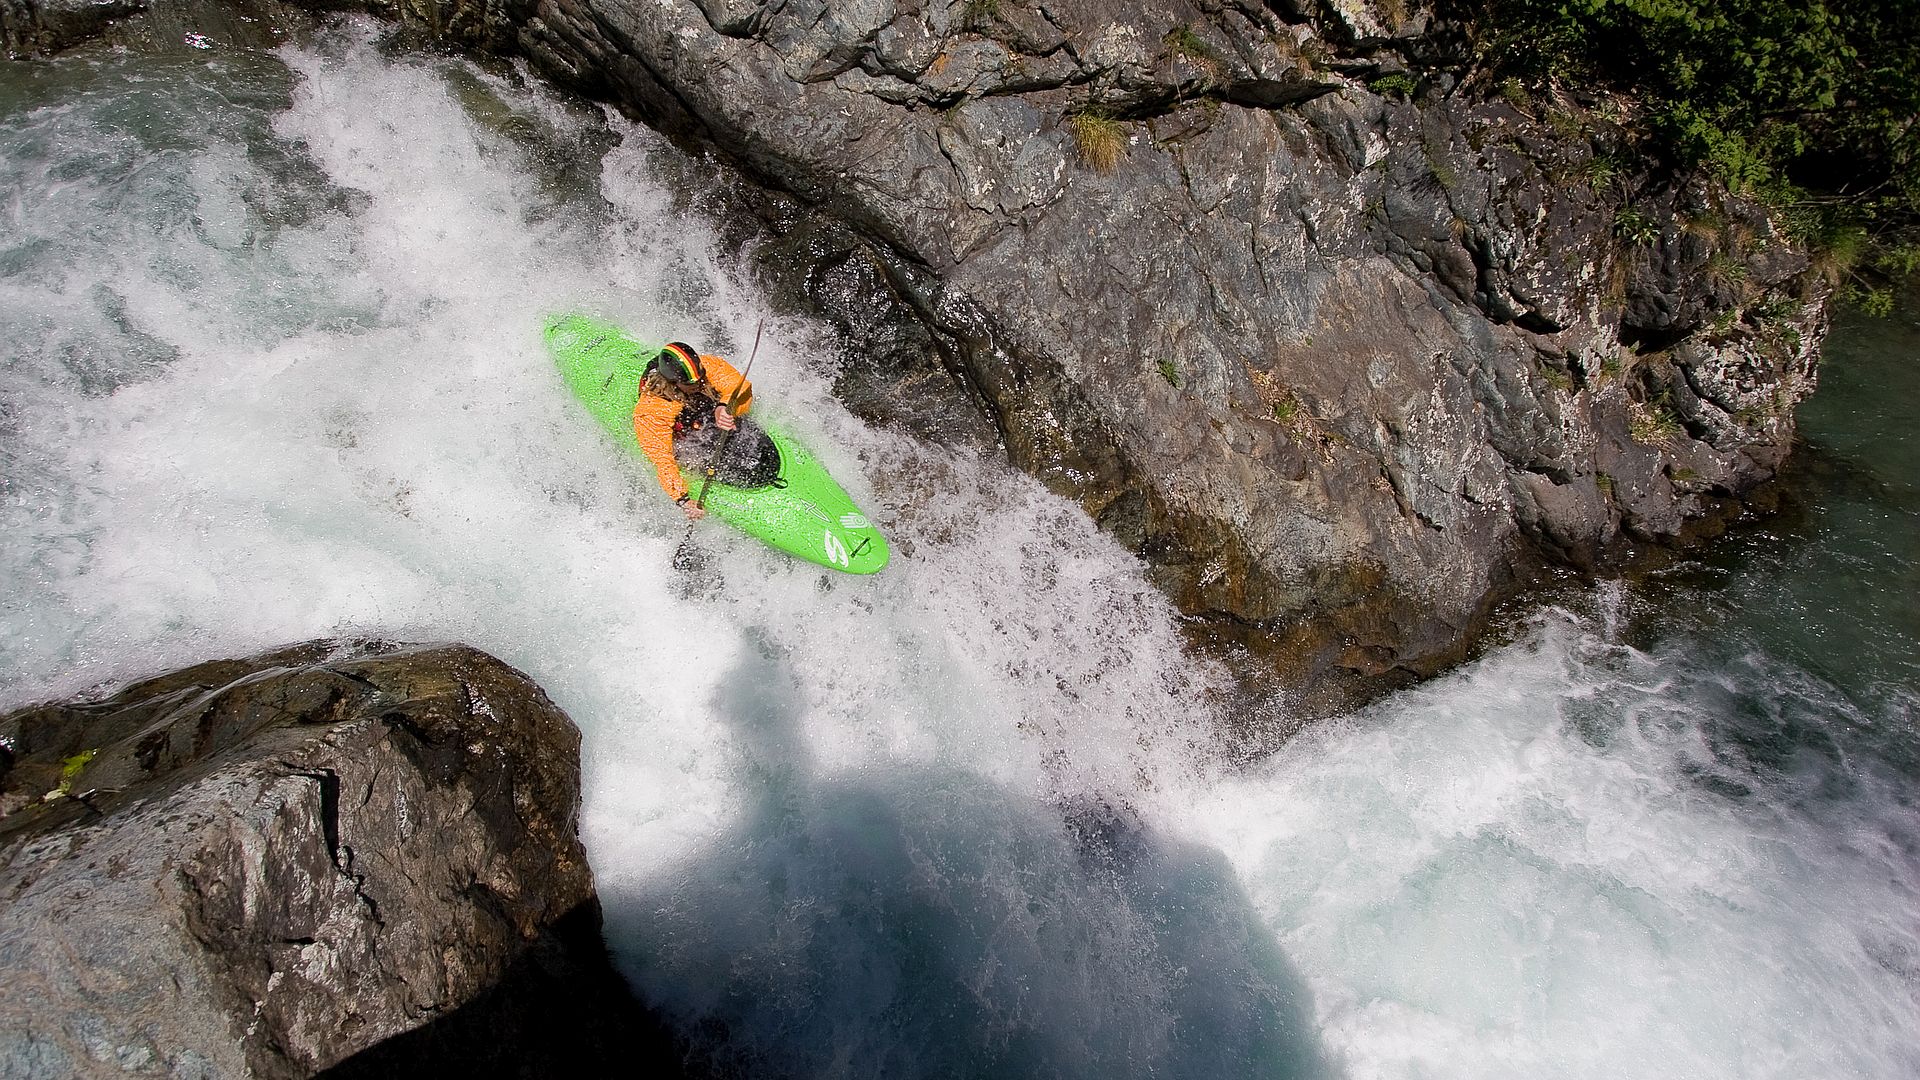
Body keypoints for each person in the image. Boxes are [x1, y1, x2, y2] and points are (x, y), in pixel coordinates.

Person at [634, 341, 754, 521]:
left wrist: (725, 407)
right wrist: (683, 499)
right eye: (692, 383)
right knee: (691, 445)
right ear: (673, 383)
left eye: (701, 378)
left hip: (696, 407)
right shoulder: (654, 409)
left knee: (711, 402)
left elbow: (738, 385)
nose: (700, 383)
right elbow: (661, 459)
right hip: (681, 428)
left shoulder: (705, 367)